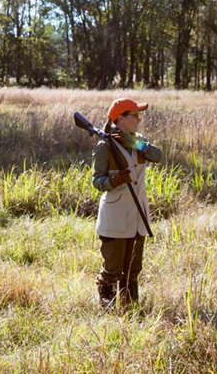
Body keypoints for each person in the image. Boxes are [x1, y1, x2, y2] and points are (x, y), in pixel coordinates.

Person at [91, 97, 163, 309]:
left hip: (138, 216)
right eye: (135, 115)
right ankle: (108, 310)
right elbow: (97, 181)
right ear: (120, 119)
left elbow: (157, 156)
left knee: (133, 269)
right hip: (114, 218)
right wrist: (114, 181)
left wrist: (134, 142)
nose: (139, 120)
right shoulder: (105, 147)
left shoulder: (138, 141)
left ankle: (131, 310)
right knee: (113, 269)